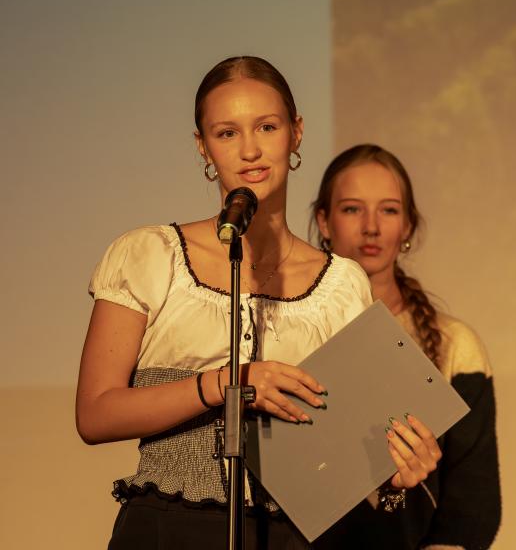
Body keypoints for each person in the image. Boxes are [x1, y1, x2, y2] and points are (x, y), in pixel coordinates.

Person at [76, 57, 441, 549]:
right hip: (169, 528)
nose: (250, 150)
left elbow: (350, 448)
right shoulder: (150, 255)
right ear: (203, 146)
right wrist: (230, 383)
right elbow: (95, 413)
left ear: (296, 133)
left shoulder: (341, 285)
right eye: (227, 133)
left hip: (292, 537)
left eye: (267, 127)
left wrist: (393, 474)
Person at [311, 144, 501, 550]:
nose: (371, 227)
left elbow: (473, 502)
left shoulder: (456, 346)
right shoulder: (288, 333)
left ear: (408, 226)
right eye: (352, 209)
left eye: (389, 210)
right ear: (324, 221)